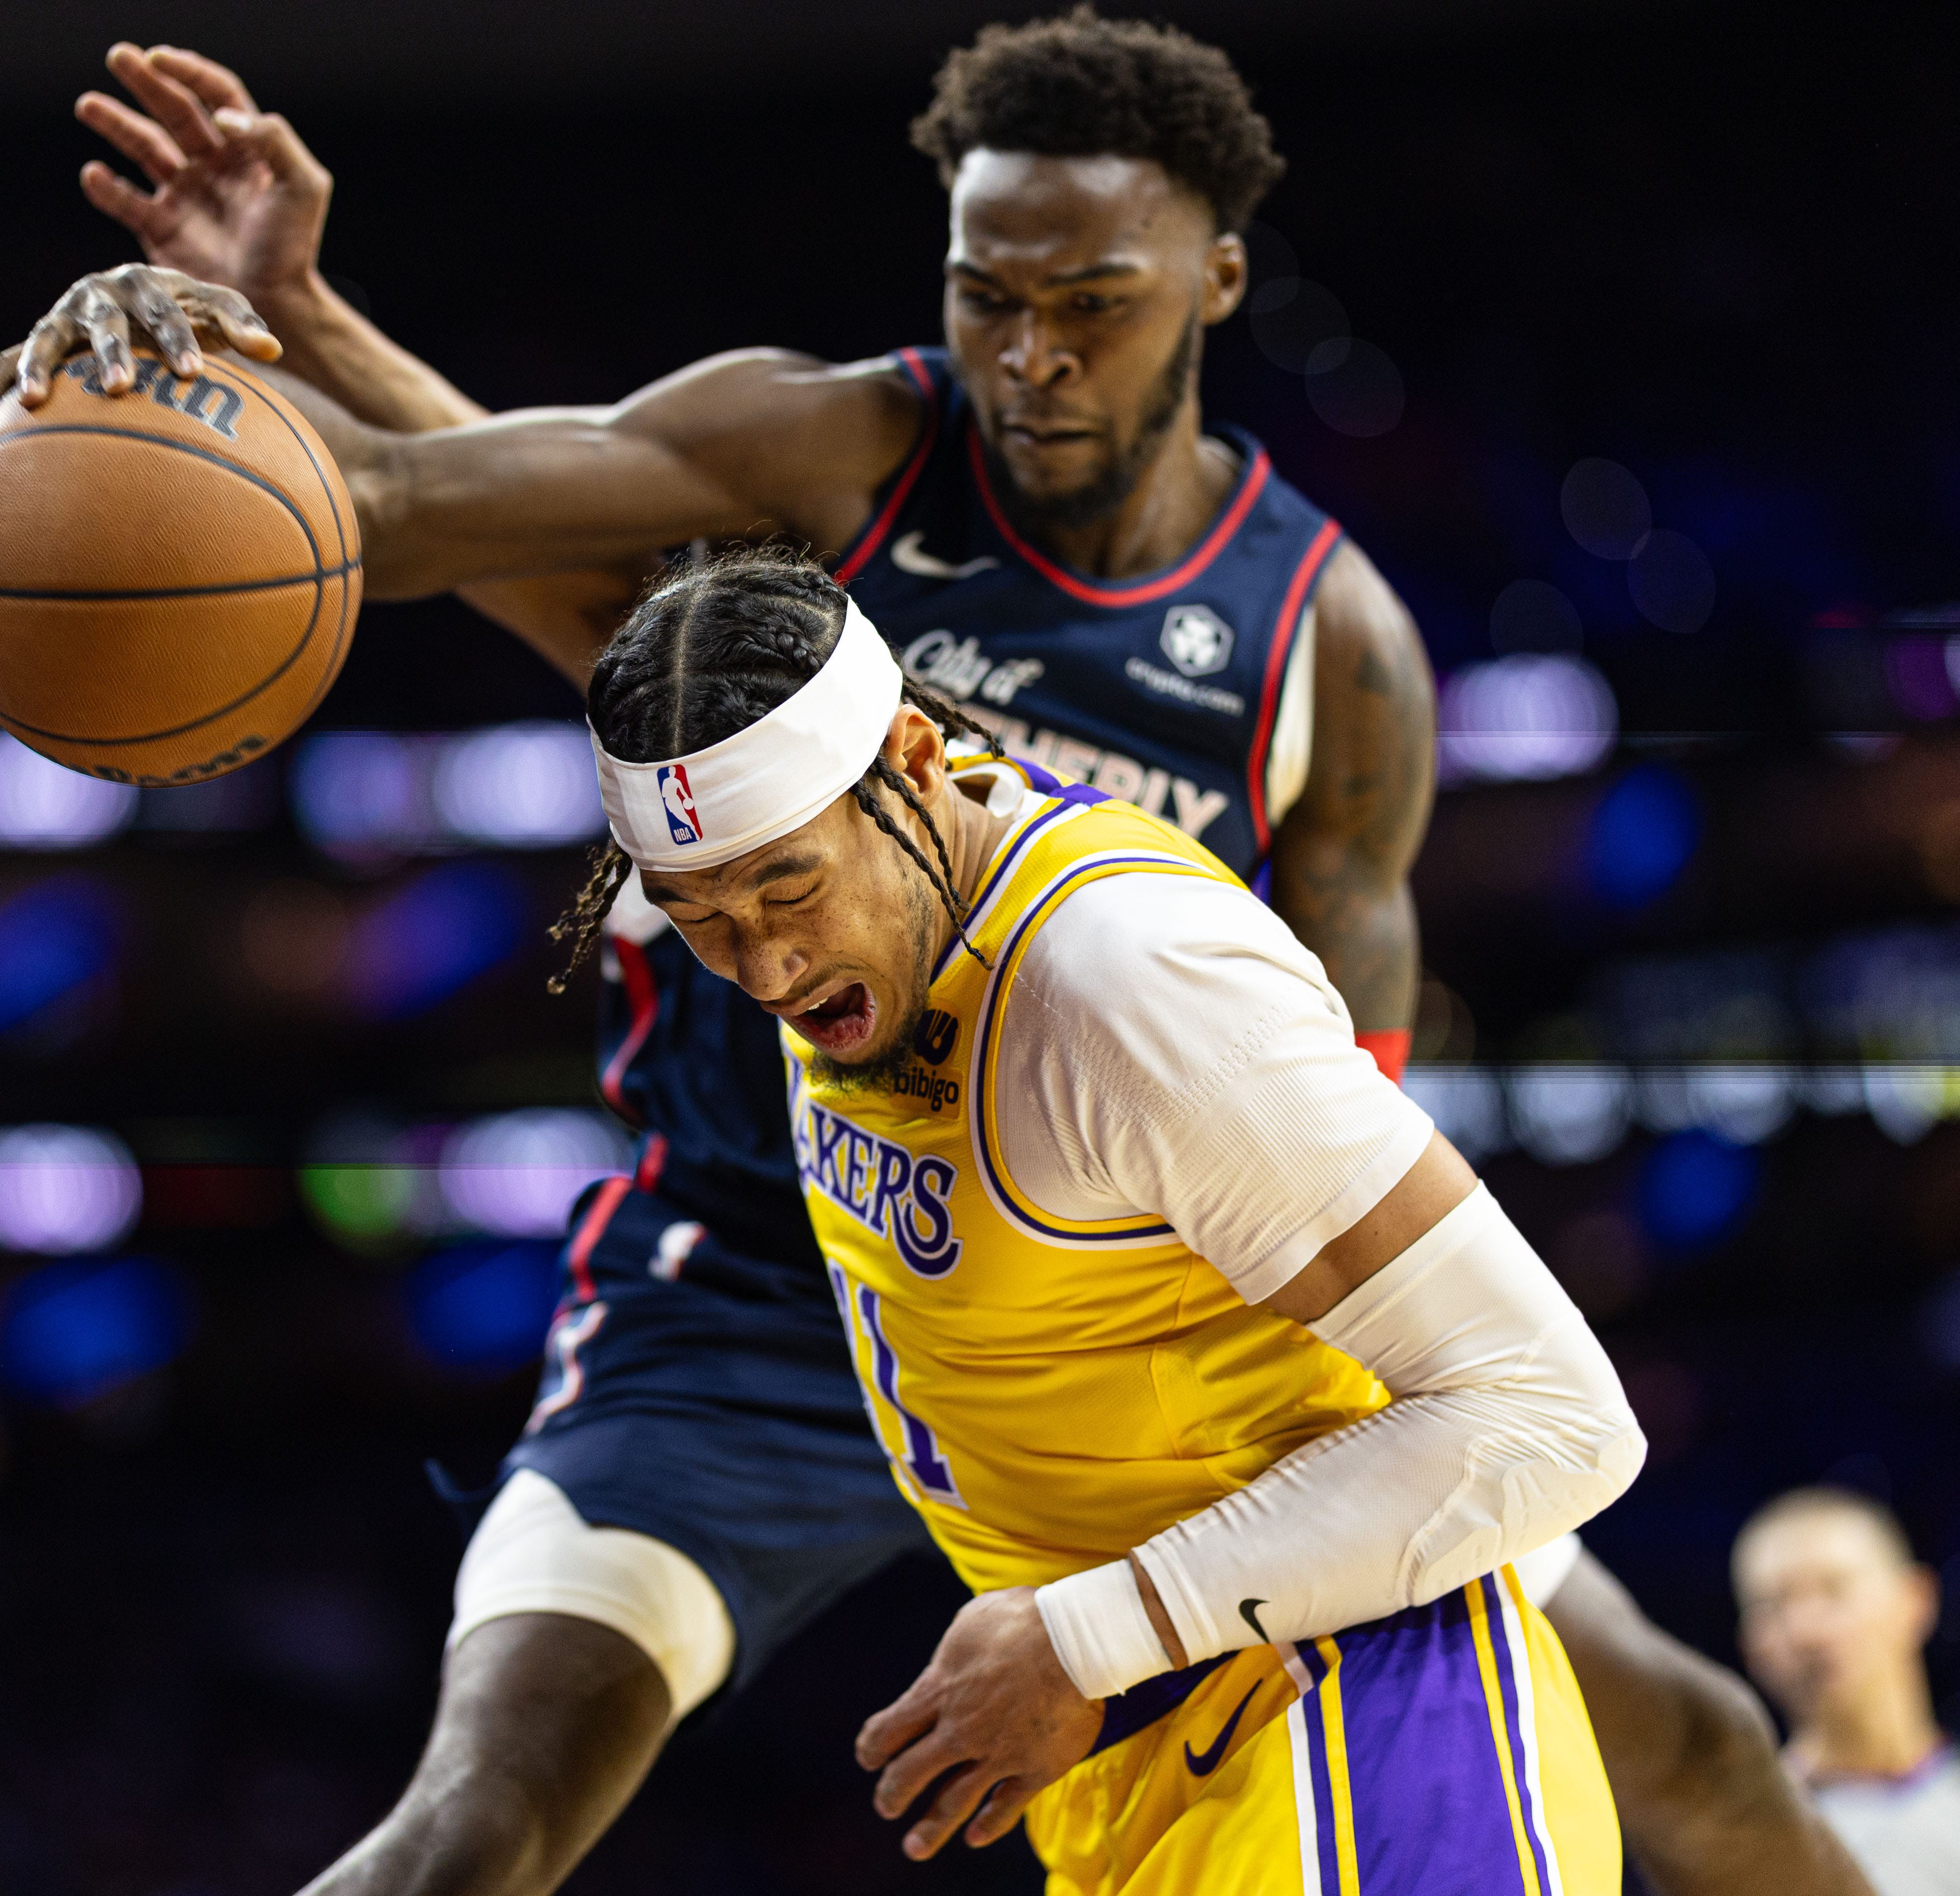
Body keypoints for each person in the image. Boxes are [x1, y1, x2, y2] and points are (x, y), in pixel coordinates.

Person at [0, 17, 1870, 1895]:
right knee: (476, 1818)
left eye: (1091, 303)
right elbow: (425, 529)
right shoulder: (829, 442)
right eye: (985, 296)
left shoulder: (1324, 644)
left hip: (1108, 1302)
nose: (1027, 358)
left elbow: (1349, 1121)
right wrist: (168, 390)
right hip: (764, 1284)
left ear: (1214, 280)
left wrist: (1268, 1551)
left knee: (1675, 1726)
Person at [570, 546, 1644, 1889]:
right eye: (705, 922)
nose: (766, 962)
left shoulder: (1124, 986)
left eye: (791, 889)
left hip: (1348, 1754)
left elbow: (1551, 1416)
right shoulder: (856, 908)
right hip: (1161, 1746)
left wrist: (1087, 1633)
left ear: (911, 760)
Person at [1736, 1488, 1960, 1895]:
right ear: (1751, 1646)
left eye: (1835, 1589)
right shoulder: (1739, 1840)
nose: (1806, 1630)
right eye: (1773, 1604)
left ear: (1915, 1600)